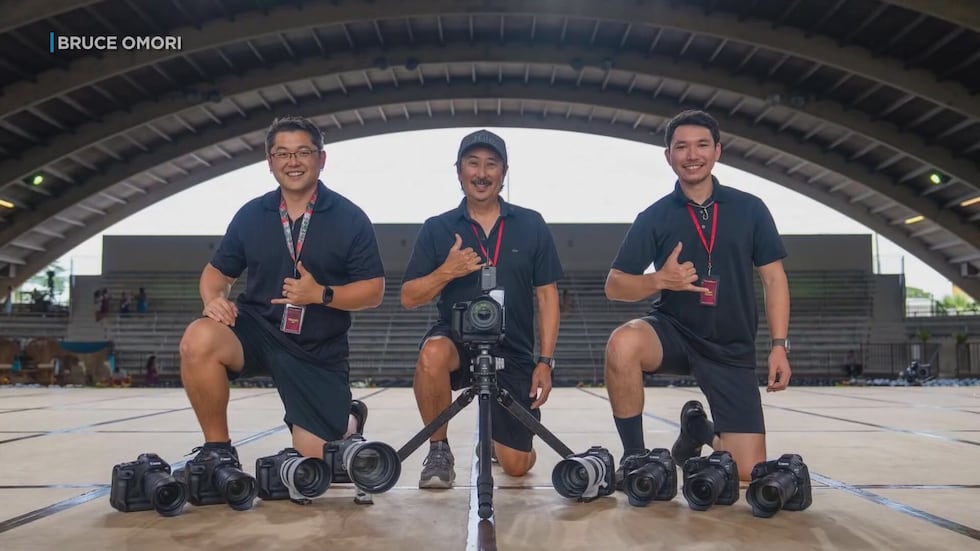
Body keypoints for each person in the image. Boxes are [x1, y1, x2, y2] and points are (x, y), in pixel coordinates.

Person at [178, 116, 384, 474]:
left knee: (317, 463)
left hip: (315, 347)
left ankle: (348, 422)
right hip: (257, 330)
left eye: (303, 152)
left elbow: (373, 291)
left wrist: (321, 294)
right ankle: (218, 449)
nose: (293, 162)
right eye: (283, 153)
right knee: (199, 337)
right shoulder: (251, 215)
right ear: (269, 162)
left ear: (321, 159)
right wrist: (214, 298)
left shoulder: (350, 218)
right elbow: (217, 272)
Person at [603, 109, 791, 482]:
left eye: (702, 145)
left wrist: (780, 345)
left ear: (717, 151)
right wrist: (660, 280)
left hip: (730, 346)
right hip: (674, 331)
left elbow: (774, 280)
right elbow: (615, 284)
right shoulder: (654, 217)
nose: (692, 155)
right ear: (668, 155)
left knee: (747, 472)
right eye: (682, 147)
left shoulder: (750, 209)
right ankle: (635, 458)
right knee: (622, 343)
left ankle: (697, 433)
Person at [401, 129, 563, 488]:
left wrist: (545, 361)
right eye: (472, 164)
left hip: (513, 347)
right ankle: (438, 449)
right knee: (432, 354)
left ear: (504, 173)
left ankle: (494, 442)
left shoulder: (531, 224)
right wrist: (448, 270)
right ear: (458, 171)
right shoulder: (437, 228)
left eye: (492, 164)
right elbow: (410, 297)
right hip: (458, 341)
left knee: (518, 466)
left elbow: (548, 296)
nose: (481, 173)